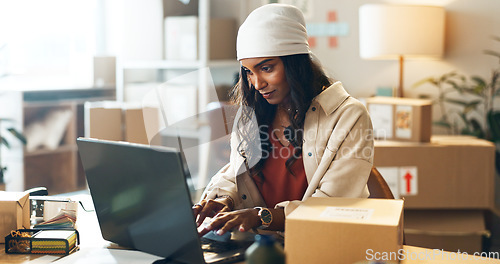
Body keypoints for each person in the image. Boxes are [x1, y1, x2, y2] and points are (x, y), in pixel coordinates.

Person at [193, 3, 374, 237]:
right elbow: (236, 171)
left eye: (266, 68)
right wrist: (223, 199)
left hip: (323, 245)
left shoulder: (348, 116)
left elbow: (333, 205)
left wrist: (261, 216)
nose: (257, 84)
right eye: (248, 72)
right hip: (260, 247)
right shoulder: (253, 112)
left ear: (295, 64)